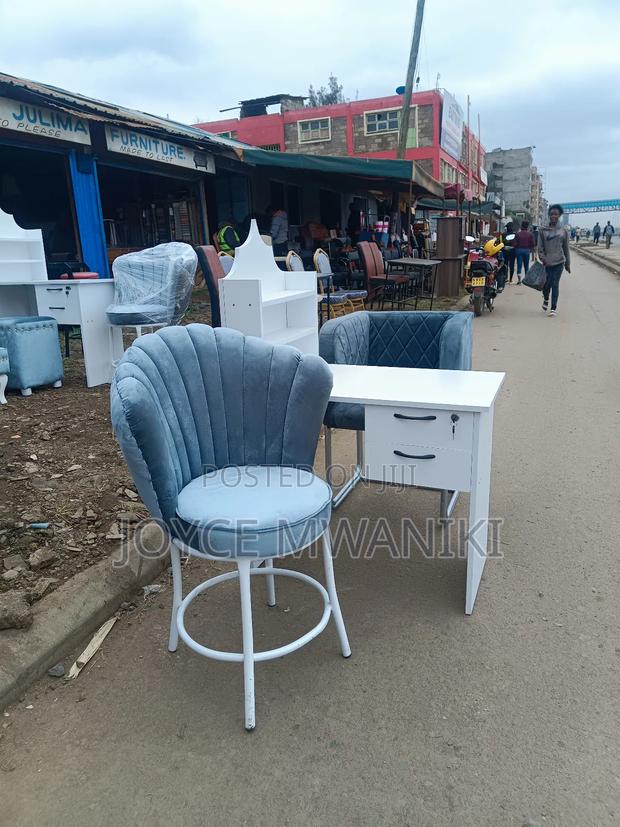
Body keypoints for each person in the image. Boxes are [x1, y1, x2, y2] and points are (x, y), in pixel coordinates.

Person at [539, 204, 570, 317]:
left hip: (559, 262)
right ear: (549, 215)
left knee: (555, 284)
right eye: (552, 214)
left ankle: (553, 308)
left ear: (559, 215)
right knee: (546, 285)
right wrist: (542, 258)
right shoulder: (543, 230)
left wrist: (567, 264)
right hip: (547, 262)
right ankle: (546, 298)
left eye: (556, 214)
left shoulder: (563, 231)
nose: (553, 216)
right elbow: (540, 247)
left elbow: (566, 248)